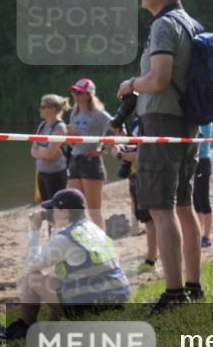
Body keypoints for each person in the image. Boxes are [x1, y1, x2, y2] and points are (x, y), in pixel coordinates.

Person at [117, 0, 203, 312]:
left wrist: (131, 84)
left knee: (161, 208)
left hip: (162, 124)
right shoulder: (192, 24)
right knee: (185, 205)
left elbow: (159, 79)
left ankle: (173, 293)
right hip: (187, 124)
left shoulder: (164, 25)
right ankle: (193, 286)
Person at [0, 189, 130, 343]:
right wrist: (56, 227)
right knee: (59, 277)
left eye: (53, 209)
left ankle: (23, 329)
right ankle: (51, 327)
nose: (50, 213)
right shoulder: (94, 229)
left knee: (31, 279)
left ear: (64, 212)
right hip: (118, 299)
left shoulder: (65, 237)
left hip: (91, 306)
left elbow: (32, 264)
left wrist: (34, 230)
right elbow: (62, 278)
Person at [112, 115, 158, 275]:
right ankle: (151, 259)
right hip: (137, 174)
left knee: (152, 219)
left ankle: (151, 260)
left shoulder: (150, 121)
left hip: (147, 175)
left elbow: (144, 153)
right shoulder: (138, 122)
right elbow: (136, 148)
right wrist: (121, 147)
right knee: (147, 219)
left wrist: (120, 154)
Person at [66, 78, 113, 231]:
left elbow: (121, 131)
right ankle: (83, 242)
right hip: (75, 161)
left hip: (91, 162)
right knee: (74, 208)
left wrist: (103, 150)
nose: (75, 95)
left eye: (78, 92)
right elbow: (73, 143)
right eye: (74, 91)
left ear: (88, 95)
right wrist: (70, 138)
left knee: (94, 211)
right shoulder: (74, 114)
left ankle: (104, 248)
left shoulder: (99, 114)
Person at [31, 94, 70, 216]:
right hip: (42, 173)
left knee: (58, 210)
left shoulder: (60, 127)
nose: (40, 109)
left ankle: (58, 234)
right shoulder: (42, 125)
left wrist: (42, 152)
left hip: (56, 174)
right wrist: (44, 152)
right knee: (47, 209)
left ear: (52, 109)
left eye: (43, 107)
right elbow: (32, 150)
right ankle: (51, 234)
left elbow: (50, 153)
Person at [195, 121, 213, 247]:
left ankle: (207, 236)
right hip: (196, 162)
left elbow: (200, 139)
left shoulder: (205, 121)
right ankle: (198, 233)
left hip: (203, 161)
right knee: (196, 201)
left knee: (204, 201)